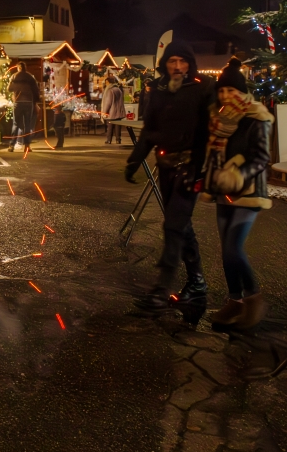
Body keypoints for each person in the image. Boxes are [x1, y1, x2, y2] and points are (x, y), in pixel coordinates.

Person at [125, 41, 215, 311]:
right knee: (181, 225)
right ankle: (197, 284)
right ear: (165, 63)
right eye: (172, 61)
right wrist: (135, 159)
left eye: (183, 61)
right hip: (166, 166)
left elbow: (212, 132)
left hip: (191, 167)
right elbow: (150, 129)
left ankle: (161, 290)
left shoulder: (203, 89)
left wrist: (202, 167)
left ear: (190, 64)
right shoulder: (159, 90)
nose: (177, 67)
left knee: (174, 225)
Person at [199, 58, 274, 330]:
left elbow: (261, 157)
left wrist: (237, 175)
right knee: (225, 251)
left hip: (248, 191)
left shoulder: (257, 116)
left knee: (233, 248)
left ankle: (254, 298)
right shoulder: (219, 120)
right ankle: (235, 301)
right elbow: (214, 154)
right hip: (222, 191)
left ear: (241, 91)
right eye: (221, 91)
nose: (225, 95)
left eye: (230, 90)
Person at [8, 65, 41, 152]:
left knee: (15, 124)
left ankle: (11, 145)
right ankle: (27, 146)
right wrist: (35, 103)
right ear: (25, 68)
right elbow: (36, 91)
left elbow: (9, 89)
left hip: (18, 103)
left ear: (18, 68)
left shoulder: (14, 76)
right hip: (28, 103)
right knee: (27, 125)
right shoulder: (30, 77)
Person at [102, 74, 126, 144]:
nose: (106, 84)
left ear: (109, 82)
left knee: (110, 127)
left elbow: (108, 102)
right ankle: (118, 140)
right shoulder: (118, 89)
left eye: (106, 82)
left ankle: (109, 140)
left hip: (112, 112)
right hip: (119, 112)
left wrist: (105, 111)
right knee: (118, 127)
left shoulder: (110, 90)